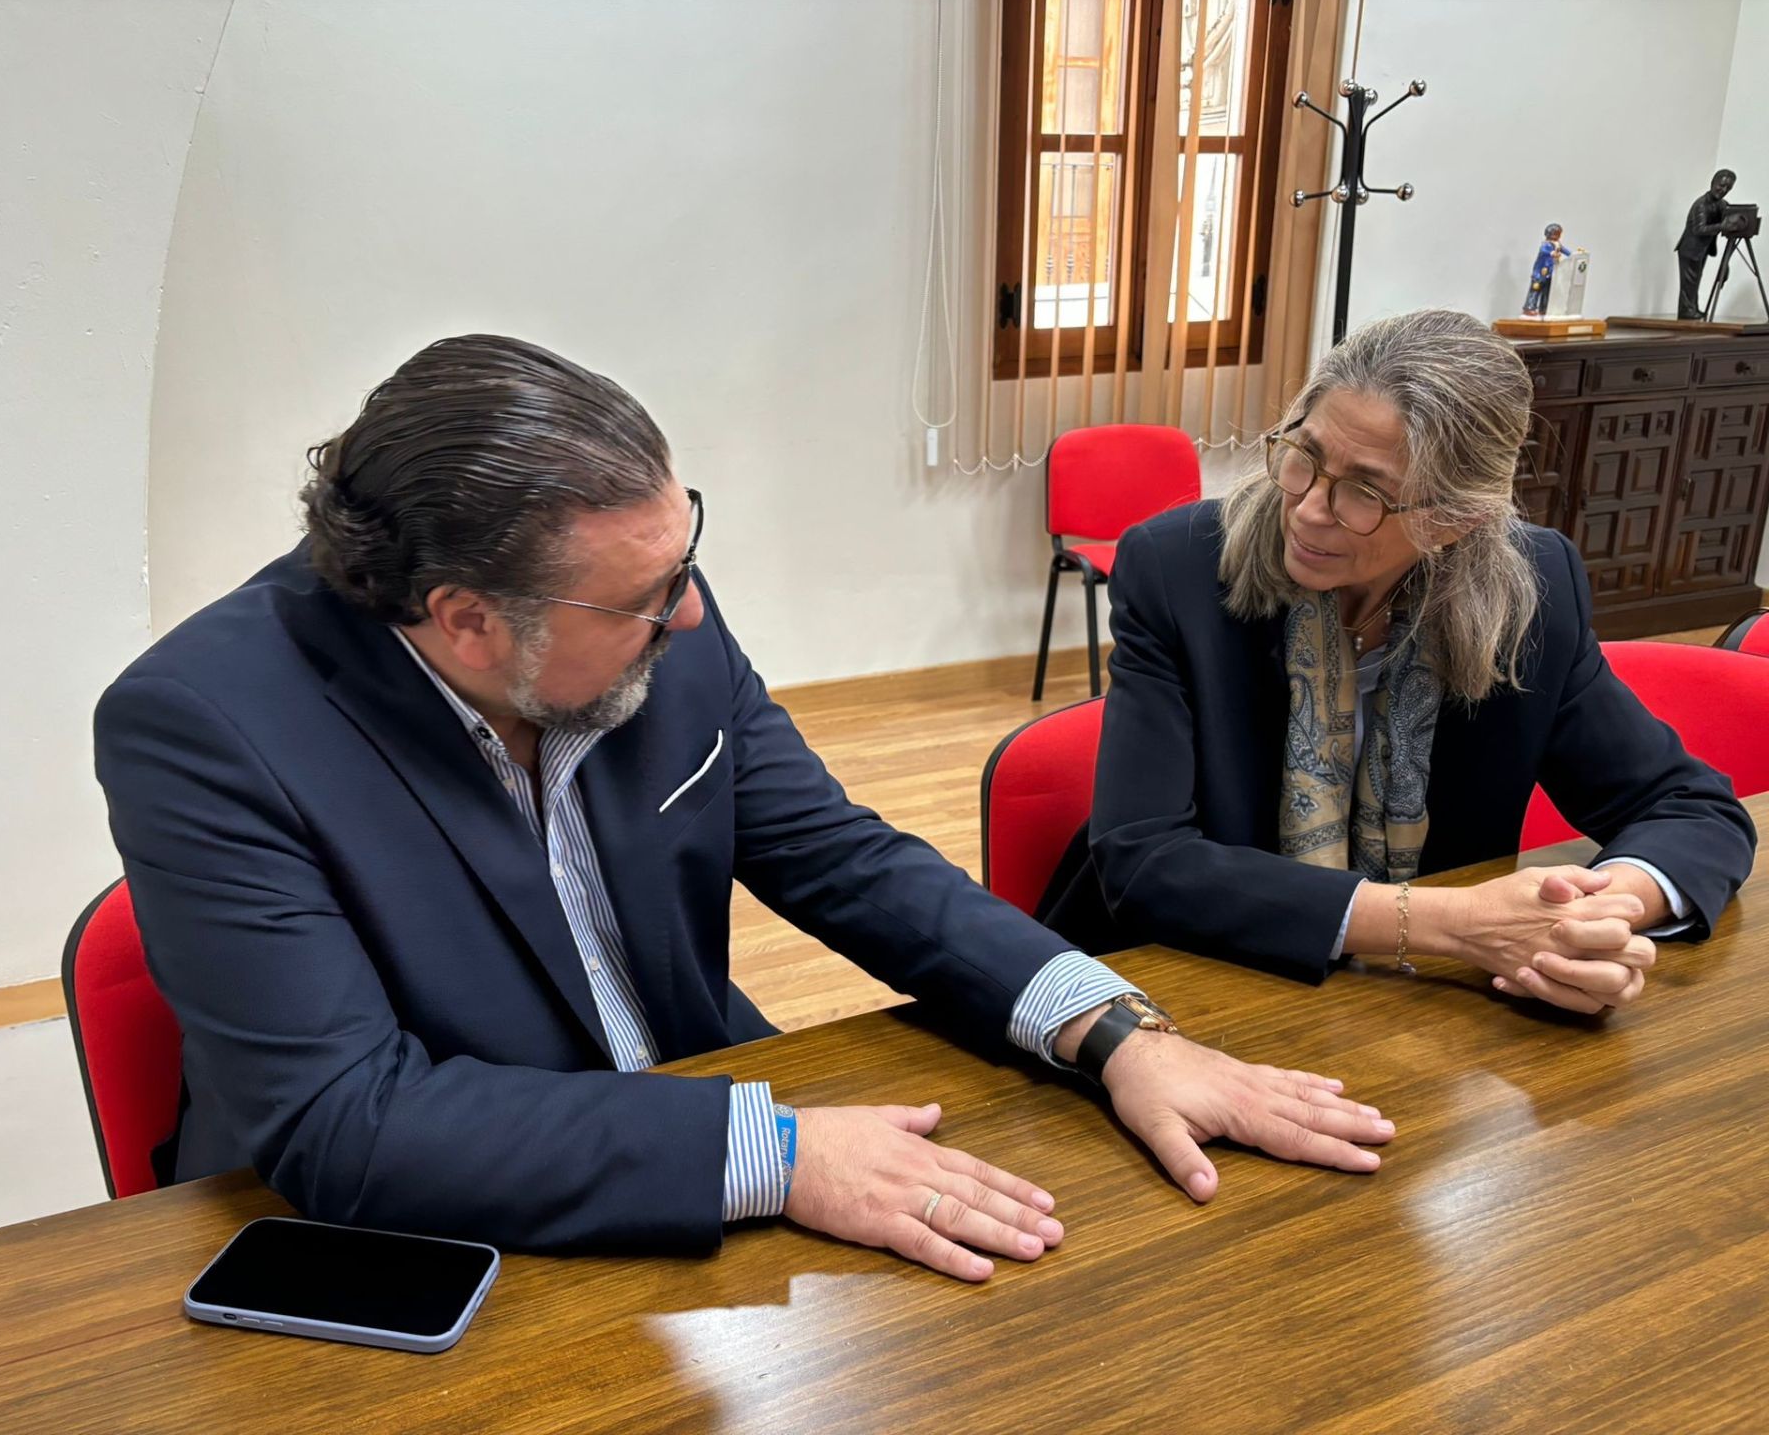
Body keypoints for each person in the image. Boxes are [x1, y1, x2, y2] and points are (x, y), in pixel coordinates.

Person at [94, 335, 1392, 1284]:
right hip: (427, 1224)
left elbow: (842, 861)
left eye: (688, 553)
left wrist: (1112, 1030)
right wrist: (773, 1153)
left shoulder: (645, 611)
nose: (696, 616)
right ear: (468, 621)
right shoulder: (206, 727)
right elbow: (348, 1124)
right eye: (650, 597)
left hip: (696, 1105)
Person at [1042, 309, 1754, 1011]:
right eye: (1304, 455)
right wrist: (1456, 924)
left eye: (1366, 493)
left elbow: (1692, 810)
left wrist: (1599, 917)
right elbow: (1143, 862)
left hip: (1408, 1015)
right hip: (1169, 987)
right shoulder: (1180, 569)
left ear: (1457, 519)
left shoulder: (1528, 594)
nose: (1309, 508)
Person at [1677, 169, 1736, 320]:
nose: (1723, 190)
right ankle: (1686, 311)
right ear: (1713, 183)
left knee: (1695, 280)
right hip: (1690, 249)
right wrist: (1723, 226)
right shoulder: (1701, 205)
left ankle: (1692, 308)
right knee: (1689, 282)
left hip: (1701, 250)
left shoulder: (1721, 204)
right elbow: (1699, 228)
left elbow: (1728, 213)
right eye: (1720, 185)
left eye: (1727, 188)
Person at [1521, 223, 1569, 317]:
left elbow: (1565, 251)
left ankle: (1543, 308)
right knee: (1536, 289)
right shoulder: (1546, 244)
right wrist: (1552, 253)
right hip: (1540, 272)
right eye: (1556, 233)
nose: (1558, 236)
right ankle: (1529, 307)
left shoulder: (1557, 244)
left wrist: (1573, 254)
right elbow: (1544, 251)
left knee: (1547, 291)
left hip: (1550, 273)